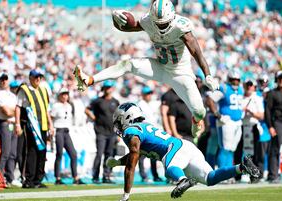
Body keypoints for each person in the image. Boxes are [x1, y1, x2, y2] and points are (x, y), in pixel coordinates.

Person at [74, 0, 220, 139]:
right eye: (158, 24)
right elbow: (128, 27)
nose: (161, 27)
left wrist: (208, 75)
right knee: (128, 64)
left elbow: (197, 53)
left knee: (200, 111)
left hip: (180, 73)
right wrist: (117, 20)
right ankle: (90, 79)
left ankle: (196, 120)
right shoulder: (148, 21)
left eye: (164, 24)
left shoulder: (181, 27)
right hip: (160, 67)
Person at [107, 102, 260, 201]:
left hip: (175, 149)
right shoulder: (143, 128)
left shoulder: (131, 132)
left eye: (120, 121)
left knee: (169, 167)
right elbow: (135, 154)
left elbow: (132, 164)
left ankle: (182, 180)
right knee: (210, 178)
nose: (119, 126)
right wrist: (118, 162)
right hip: (185, 147)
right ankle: (241, 167)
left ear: (127, 118)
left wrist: (126, 195)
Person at [14, 69, 54, 188]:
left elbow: (46, 109)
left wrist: (51, 124)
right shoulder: (24, 90)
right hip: (31, 126)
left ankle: (38, 179)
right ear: (30, 78)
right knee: (31, 151)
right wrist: (17, 124)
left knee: (42, 152)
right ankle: (29, 180)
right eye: (36, 77)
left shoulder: (43, 90)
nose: (38, 79)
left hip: (43, 125)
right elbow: (18, 107)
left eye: (39, 77)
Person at [206, 70, 244, 170]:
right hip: (226, 121)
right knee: (225, 148)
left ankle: (229, 173)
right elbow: (209, 100)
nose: (235, 82)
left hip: (238, 122)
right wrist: (218, 115)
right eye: (233, 80)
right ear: (229, 80)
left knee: (232, 148)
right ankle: (223, 172)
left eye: (237, 80)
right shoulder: (225, 88)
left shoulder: (240, 89)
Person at [85, 80, 119, 184]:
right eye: (106, 87)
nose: (108, 89)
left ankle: (106, 176)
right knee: (99, 154)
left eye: (109, 87)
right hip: (100, 132)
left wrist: (119, 133)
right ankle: (95, 176)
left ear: (112, 89)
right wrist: (94, 117)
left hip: (112, 132)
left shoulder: (116, 102)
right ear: (103, 89)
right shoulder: (98, 101)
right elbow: (87, 109)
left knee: (109, 155)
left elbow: (118, 117)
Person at [51, 87, 84, 185]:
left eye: (66, 94)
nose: (65, 96)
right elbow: (51, 118)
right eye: (63, 94)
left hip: (66, 132)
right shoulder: (56, 105)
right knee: (59, 154)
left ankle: (76, 177)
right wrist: (51, 130)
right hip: (59, 131)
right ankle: (57, 178)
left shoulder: (69, 106)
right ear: (59, 95)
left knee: (73, 154)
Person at [0, 73, 18, 186]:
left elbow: (16, 111)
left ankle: (10, 177)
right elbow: (6, 112)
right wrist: (14, 111)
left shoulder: (12, 96)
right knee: (6, 153)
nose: (4, 81)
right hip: (4, 123)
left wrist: (13, 111)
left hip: (13, 124)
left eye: (5, 79)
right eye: (2, 80)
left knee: (12, 153)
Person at [137, 86, 163, 182]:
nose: (149, 95)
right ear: (143, 95)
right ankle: (143, 175)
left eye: (150, 93)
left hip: (153, 132)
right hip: (144, 132)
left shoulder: (151, 104)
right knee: (142, 155)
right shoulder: (140, 104)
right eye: (147, 94)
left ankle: (155, 175)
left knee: (154, 155)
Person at [241, 79, 265, 181]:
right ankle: (240, 174)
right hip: (242, 126)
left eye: (251, 85)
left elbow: (261, 115)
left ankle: (256, 175)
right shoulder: (240, 97)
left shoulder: (257, 98)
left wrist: (251, 113)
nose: (249, 87)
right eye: (248, 85)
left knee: (256, 152)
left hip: (253, 127)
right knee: (241, 152)